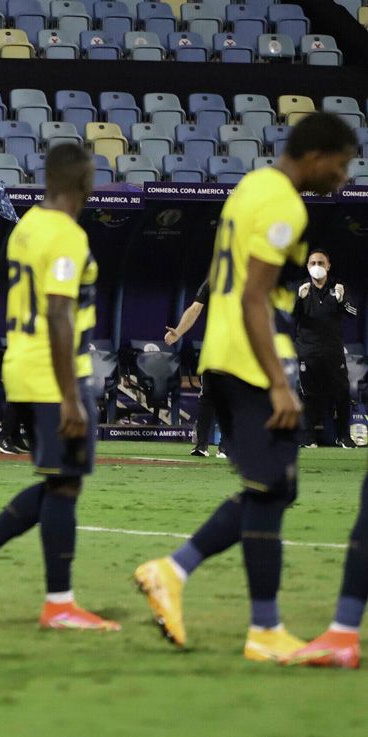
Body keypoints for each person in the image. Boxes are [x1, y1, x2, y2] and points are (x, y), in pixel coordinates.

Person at [135, 113, 356, 663]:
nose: (345, 175)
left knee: (273, 487)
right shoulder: (284, 203)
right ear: (315, 154)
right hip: (249, 362)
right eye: (342, 161)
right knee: (274, 487)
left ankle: (201, 587)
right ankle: (250, 620)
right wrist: (280, 384)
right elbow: (256, 295)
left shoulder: (248, 189)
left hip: (229, 356)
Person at [0, 144, 119, 631]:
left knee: (61, 480)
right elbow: (60, 312)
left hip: (23, 363)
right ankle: (58, 603)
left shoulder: (29, 229)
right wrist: (68, 395)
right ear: (82, 182)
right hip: (52, 371)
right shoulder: (65, 235)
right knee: (64, 484)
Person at [295, 248, 358, 448]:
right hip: (308, 351)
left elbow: (353, 313)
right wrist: (298, 300)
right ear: (307, 266)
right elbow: (288, 316)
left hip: (333, 352)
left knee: (341, 393)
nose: (317, 267)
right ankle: (308, 437)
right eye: (313, 263)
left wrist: (341, 301)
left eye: (321, 263)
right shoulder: (301, 288)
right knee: (308, 396)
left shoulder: (338, 287)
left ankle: (343, 436)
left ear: (328, 266)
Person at [165, 278, 226, 458]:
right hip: (215, 346)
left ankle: (227, 446)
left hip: (240, 346)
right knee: (208, 394)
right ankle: (202, 446)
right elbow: (195, 309)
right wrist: (178, 332)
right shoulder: (213, 281)